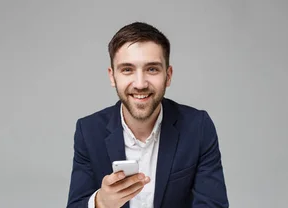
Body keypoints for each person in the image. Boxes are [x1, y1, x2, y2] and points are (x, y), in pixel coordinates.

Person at [66, 22, 229, 208]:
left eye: (152, 69)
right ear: (112, 76)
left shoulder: (198, 127)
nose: (140, 83)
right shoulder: (88, 131)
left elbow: (213, 204)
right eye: (127, 69)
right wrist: (100, 203)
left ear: (168, 75)